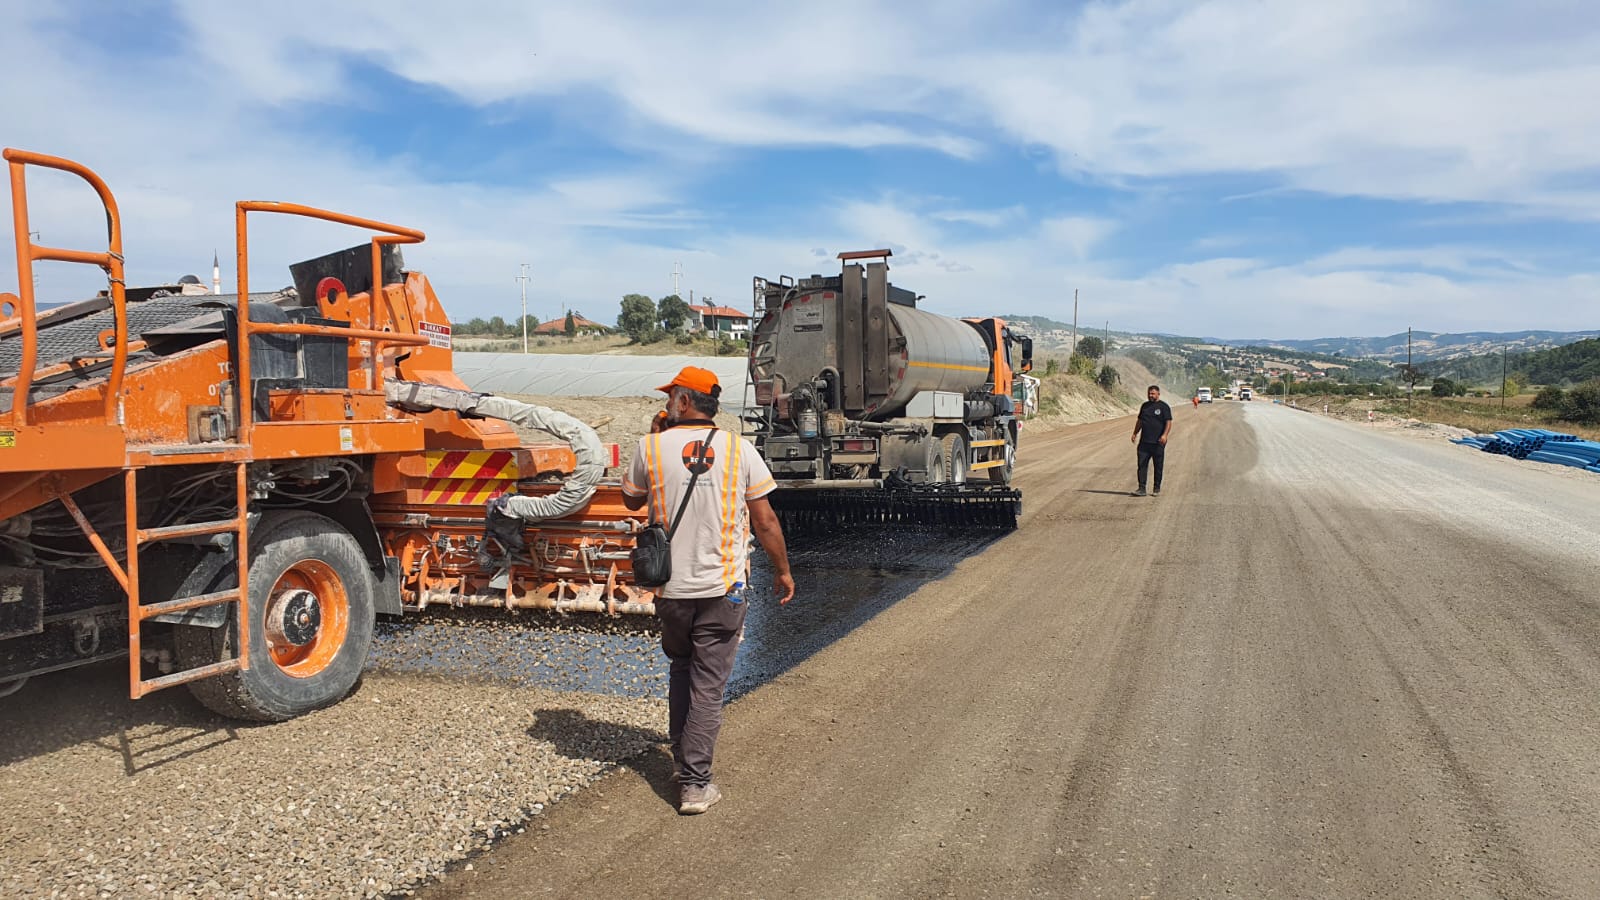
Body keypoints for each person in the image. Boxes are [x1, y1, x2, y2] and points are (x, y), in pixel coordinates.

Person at [622, 365, 796, 815]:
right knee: (708, 685)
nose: (665, 405)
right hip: (723, 588)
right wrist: (783, 570)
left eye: (670, 398)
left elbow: (630, 499)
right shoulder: (741, 450)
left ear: (683, 402)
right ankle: (696, 785)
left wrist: (654, 435)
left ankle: (684, 762)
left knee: (683, 669)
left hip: (670, 589)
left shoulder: (650, 448)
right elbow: (765, 520)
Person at [1131, 384, 1172, 497]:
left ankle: (1156, 488)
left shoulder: (1164, 407)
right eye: (1149, 393)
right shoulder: (1144, 406)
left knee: (1158, 465)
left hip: (1158, 442)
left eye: (1153, 393)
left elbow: (1168, 422)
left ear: (1158, 394)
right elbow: (1140, 421)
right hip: (1144, 442)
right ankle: (1141, 488)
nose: (1150, 395)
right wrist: (1135, 433)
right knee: (1141, 465)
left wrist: (1164, 435)